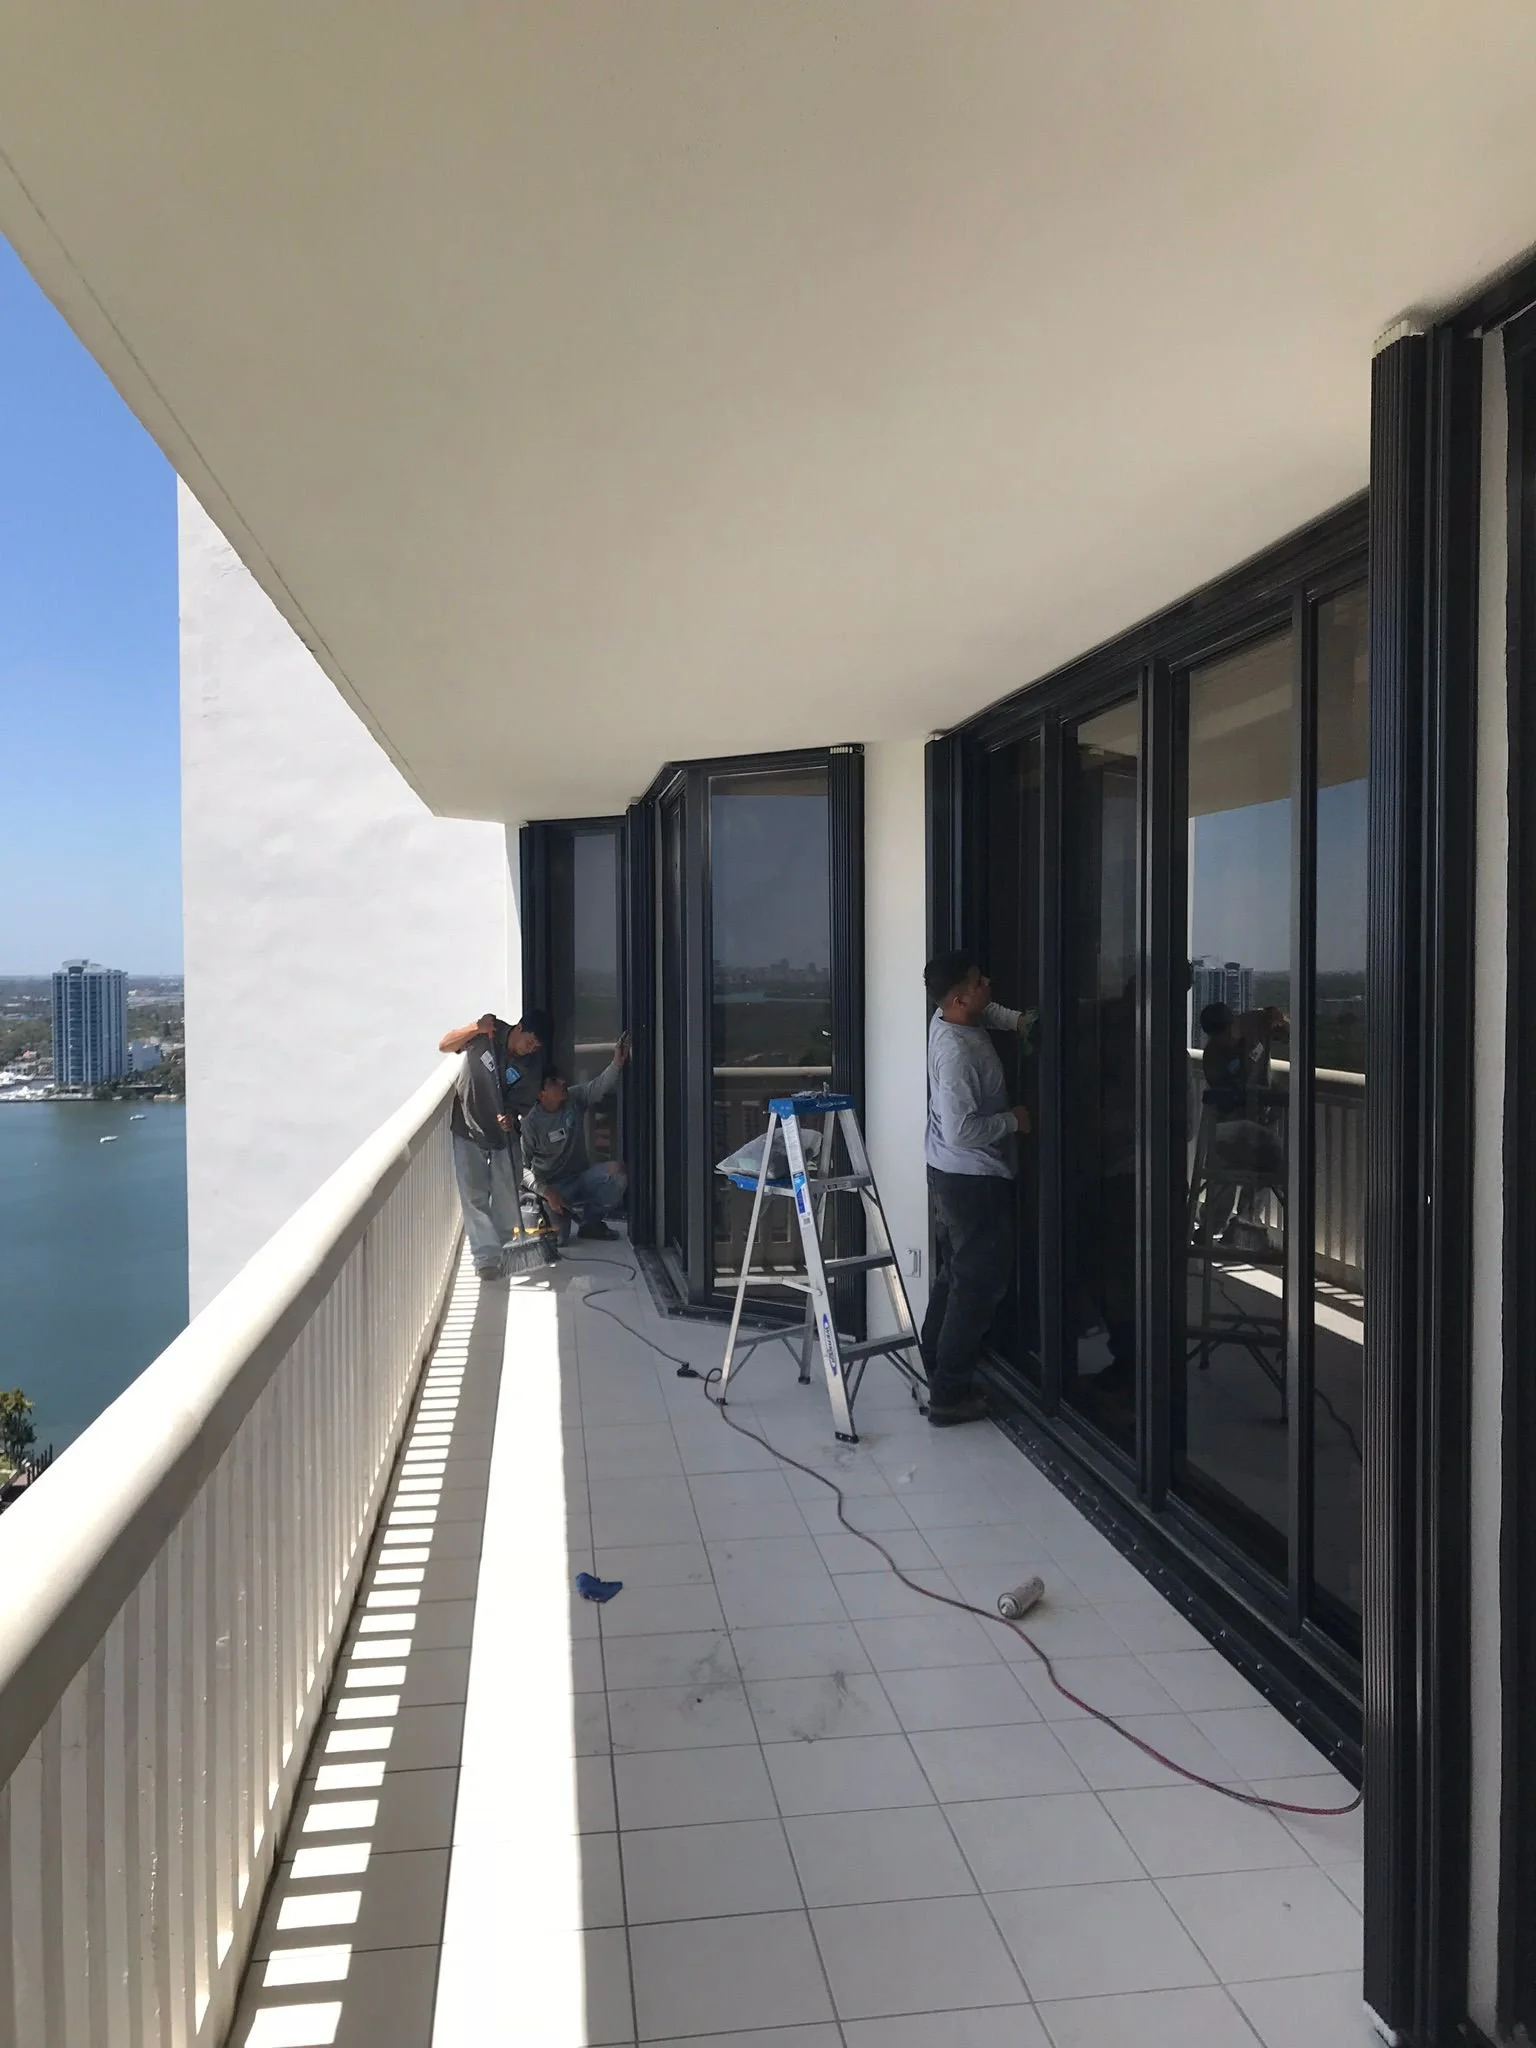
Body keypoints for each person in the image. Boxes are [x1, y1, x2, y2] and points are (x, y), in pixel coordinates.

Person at [920, 950, 1034, 1426]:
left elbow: (987, 1010)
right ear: (960, 997)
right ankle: (948, 1395)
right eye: (979, 981)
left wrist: (1019, 1022)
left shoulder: (950, 1014)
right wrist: (1014, 1121)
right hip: (971, 1180)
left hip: (952, 1175)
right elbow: (961, 1130)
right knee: (976, 1287)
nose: (988, 983)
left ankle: (936, 1365)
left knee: (955, 1276)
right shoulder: (955, 1054)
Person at [437, 1007, 551, 1280]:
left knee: (505, 1195)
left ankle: (502, 1250)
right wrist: (475, 1028)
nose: (531, 1048)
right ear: (520, 1028)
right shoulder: (488, 1032)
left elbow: (523, 1102)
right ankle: (486, 1258)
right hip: (468, 1125)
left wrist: (511, 1116)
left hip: (504, 1135)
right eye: (530, 1041)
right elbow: (444, 1045)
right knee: (473, 1194)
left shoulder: (533, 1063)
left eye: (537, 1046)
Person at [521, 1034, 631, 1241]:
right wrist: (546, 1192)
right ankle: (557, 1217)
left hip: (580, 1179)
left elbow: (599, 1086)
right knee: (560, 1241)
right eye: (554, 1081)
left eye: (560, 1078)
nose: (562, 1082)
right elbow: (521, 1168)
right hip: (552, 1189)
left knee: (617, 1174)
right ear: (540, 1094)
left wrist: (617, 1062)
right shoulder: (530, 1121)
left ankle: (591, 1223)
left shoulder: (573, 1098)